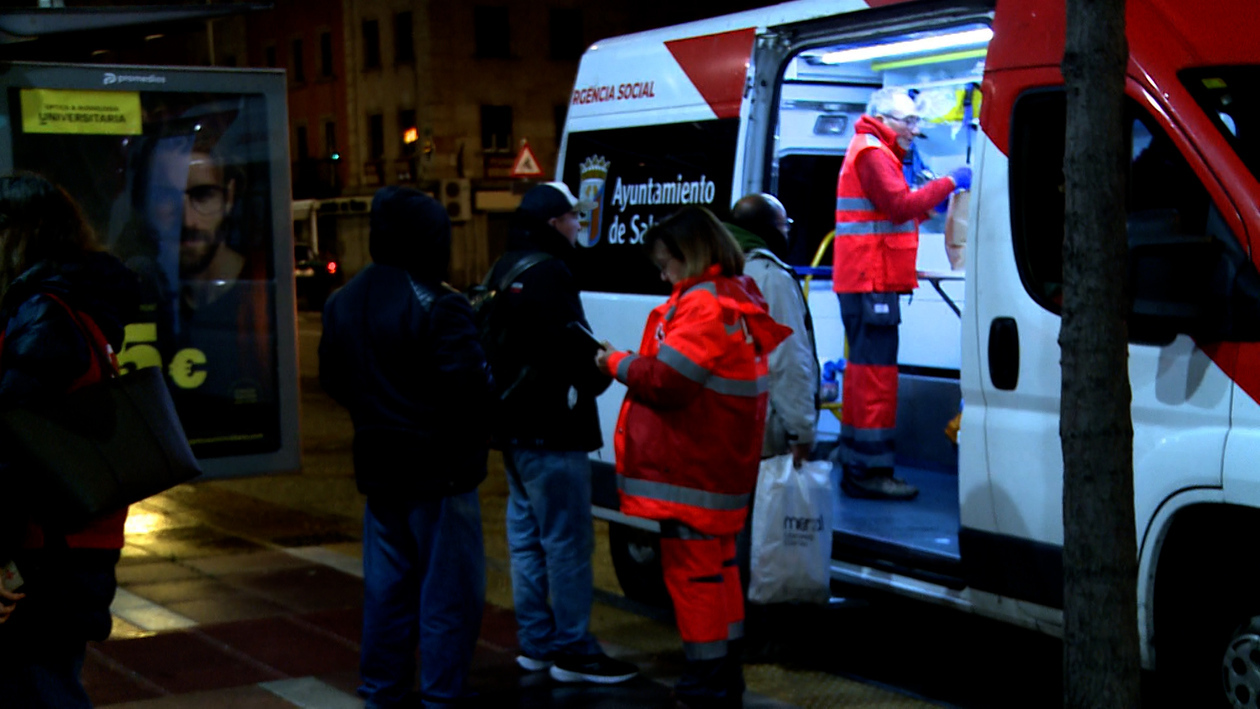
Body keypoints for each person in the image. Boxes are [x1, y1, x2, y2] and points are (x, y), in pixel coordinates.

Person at [596, 206, 790, 709]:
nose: (663, 277)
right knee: (720, 572)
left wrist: (615, 361)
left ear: (693, 254)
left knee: (695, 579)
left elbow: (667, 381)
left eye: (667, 265)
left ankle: (705, 685)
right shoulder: (737, 298)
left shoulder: (703, 306)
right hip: (718, 467)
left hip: (690, 467)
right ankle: (723, 676)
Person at [320, 186, 491, 709]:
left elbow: (334, 380)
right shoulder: (439, 302)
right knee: (448, 597)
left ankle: (383, 693)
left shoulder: (343, 300)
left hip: (379, 467)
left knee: (387, 594)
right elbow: (469, 388)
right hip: (438, 473)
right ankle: (442, 696)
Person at [0, 173, 142, 707]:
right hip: (70, 546)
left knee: (37, 684)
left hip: (46, 552)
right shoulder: (70, 308)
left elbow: (15, 452)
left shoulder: (42, 316)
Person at [487, 181, 638, 684]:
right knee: (568, 542)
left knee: (527, 539)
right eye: (574, 217)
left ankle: (536, 643)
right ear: (554, 224)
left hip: (512, 428)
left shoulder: (504, 267)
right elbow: (573, 350)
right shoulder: (553, 273)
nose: (580, 225)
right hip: (553, 428)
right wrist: (601, 367)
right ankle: (574, 649)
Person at [832, 87, 971, 500]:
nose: (914, 130)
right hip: (870, 280)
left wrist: (932, 205)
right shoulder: (873, 152)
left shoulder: (872, 149)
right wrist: (950, 182)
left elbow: (892, 207)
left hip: (867, 278)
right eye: (907, 121)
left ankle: (858, 464)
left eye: (915, 122)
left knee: (863, 377)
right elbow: (896, 205)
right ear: (884, 119)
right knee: (875, 380)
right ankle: (871, 473)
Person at [727, 193, 819, 465]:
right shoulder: (771, 278)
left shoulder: (720, 269)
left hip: (727, 424)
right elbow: (787, 361)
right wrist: (800, 431)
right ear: (769, 232)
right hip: (764, 435)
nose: (787, 233)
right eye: (784, 226)